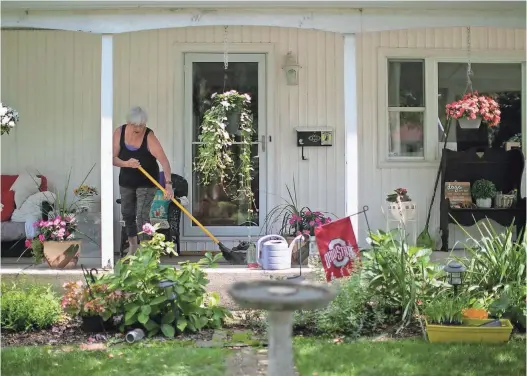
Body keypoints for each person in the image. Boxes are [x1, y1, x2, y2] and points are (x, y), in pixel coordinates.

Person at [112, 106, 174, 255]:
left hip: (147, 181)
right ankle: (133, 246)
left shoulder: (149, 136)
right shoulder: (119, 133)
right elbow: (112, 159)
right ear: (128, 122)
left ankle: (146, 250)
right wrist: (127, 164)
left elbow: (164, 161)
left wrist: (168, 184)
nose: (139, 128)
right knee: (127, 213)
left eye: (142, 125)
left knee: (141, 215)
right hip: (126, 180)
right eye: (136, 125)